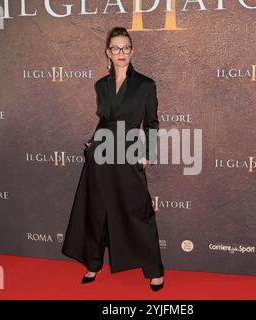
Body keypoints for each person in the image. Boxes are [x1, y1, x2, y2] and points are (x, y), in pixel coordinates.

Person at [61, 26, 164, 291]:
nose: (121, 52)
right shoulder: (101, 85)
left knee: (139, 212)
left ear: (132, 51)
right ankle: (94, 264)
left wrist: (148, 153)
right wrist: (93, 142)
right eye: (116, 48)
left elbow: (151, 123)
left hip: (129, 153)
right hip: (101, 154)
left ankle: (154, 269)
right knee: (98, 211)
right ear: (108, 52)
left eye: (126, 47)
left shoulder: (145, 84)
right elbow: (106, 121)